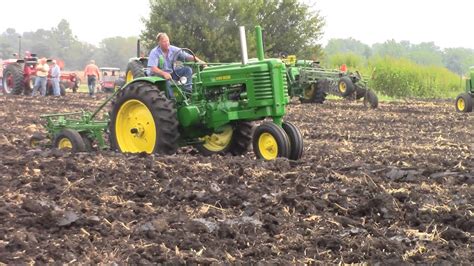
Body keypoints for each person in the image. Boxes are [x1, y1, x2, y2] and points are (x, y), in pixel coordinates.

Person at [147, 32, 206, 98]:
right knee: (166, 82)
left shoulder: (174, 49)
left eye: (167, 41)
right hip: (158, 76)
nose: (167, 43)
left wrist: (200, 61)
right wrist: (164, 74)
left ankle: (188, 92)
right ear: (159, 43)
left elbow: (187, 56)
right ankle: (172, 101)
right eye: (164, 42)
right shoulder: (154, 52)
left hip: (171, 73)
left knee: (187, 70)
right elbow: (153, 68)